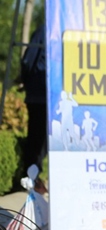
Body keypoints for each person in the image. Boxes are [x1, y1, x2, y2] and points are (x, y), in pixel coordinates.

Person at [19, 22, 47, 173]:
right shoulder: (47, 29)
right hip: (42, 93)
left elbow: (28, 60)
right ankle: (32, 176)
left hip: (42, 92)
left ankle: (34, 175)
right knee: (38, 139)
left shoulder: (45, 29)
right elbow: (28, 60)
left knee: (39, 139)